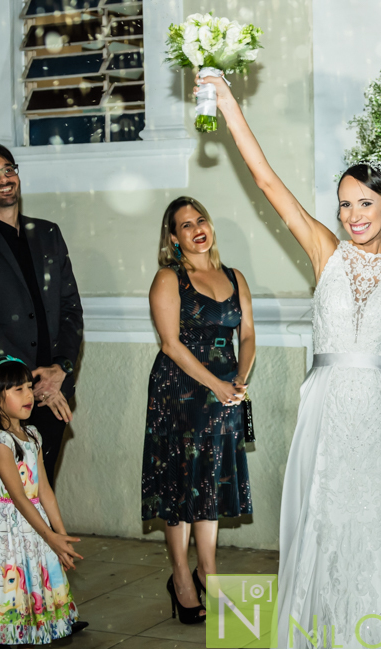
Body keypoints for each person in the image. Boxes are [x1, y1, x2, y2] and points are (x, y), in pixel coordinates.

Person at [203, 74, 381, 647]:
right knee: (327, 517)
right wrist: (228, 105)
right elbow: (266, 181)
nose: (353, 215)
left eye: (366, 203)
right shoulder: (326, 251)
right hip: (329, 405)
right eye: (344, 204)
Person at [143, 196, 256, 624]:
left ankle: (208, 569)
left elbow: (247, 334)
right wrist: (217, 385)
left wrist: (239, 379)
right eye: (185, 225)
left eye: (200, 220)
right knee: (180, 482)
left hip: (225, 392)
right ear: (173, 238)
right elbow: (170, 344)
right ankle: (181, 578)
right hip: (181, 392)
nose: (196, 229)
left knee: (210, 479)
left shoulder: (234, 276)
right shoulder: (169, 279)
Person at [0, 143, 84, 487]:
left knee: (43, 489)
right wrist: (30, 383)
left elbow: (71, 309)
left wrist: (60, 369)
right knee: (4, 500)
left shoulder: (48, 233)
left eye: (9, 169)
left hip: (54, 391)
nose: (3, 179)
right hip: (1, 394)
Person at [0, 357, 81, 647]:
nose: (28, 395)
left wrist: (61, 534)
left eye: (29, 387)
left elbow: (44, 492)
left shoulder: (32, 435)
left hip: (32, 528)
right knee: (3, 594)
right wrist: (49, 535)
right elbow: (18, 497)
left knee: (27, 594)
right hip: (3, 530)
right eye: (17, 390)